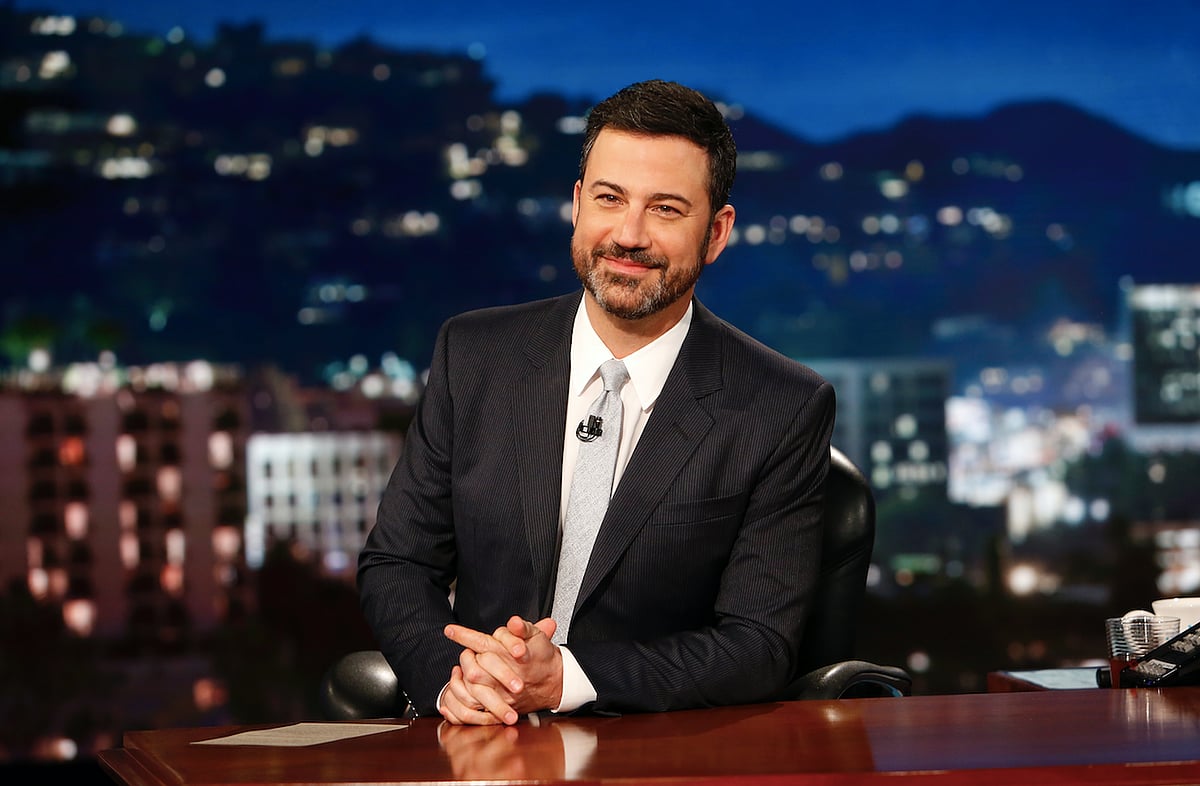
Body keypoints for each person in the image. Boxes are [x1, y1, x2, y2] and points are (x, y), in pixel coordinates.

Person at [358, 79, 835, 725]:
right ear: (578, 203)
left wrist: (566, 679)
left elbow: (758, 645)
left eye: (666, 209)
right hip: (477, 737)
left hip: (651, 748)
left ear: (716, 233)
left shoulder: (781, 407)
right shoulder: (474, 355)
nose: (629, 235)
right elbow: (398, 562)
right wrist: (452, 683)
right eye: (610, 199)